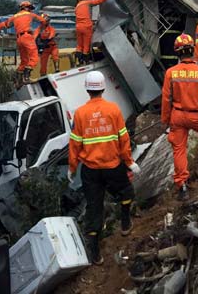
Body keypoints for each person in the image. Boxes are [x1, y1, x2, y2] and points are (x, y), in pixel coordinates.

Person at [68, 70, 140, 264]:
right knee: (126, 192)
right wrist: (129, 162)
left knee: (94, 209)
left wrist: (72, 168)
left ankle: (95, 253)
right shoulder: (113, 110)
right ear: (103, 88)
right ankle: (125, 223)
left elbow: (75, 144)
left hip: (90, 171)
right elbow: (123, 139)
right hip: (113, 165)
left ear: (87, 89)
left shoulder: (80, 113)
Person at [161, 33, 198, 200]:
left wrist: (166, 120)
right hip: (197, 114)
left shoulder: (170, 73)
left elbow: (166, 99)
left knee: (179, 149)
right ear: (192, 50)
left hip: (177, 116)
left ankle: (182, 186)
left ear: (177, 52)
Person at [0, 1, 47, 86]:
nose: (31, 10)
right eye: (30, 9)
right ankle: (26, 78)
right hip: (27, 37)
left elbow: (4, 24)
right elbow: (43, 20)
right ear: (27, 8)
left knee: (24, 61)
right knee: (34, 58)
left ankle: (17, 80)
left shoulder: (14, 16)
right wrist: (42, 24)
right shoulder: (30, 15)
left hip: (19, 39)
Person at [75, 0, 111, 65]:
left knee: (79, 45)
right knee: (86, 45)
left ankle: (79, 60)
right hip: (86, 27)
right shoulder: (87, 2)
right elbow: (98, 1)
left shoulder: (77, 7)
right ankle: (86, 61)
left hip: (78, 27)